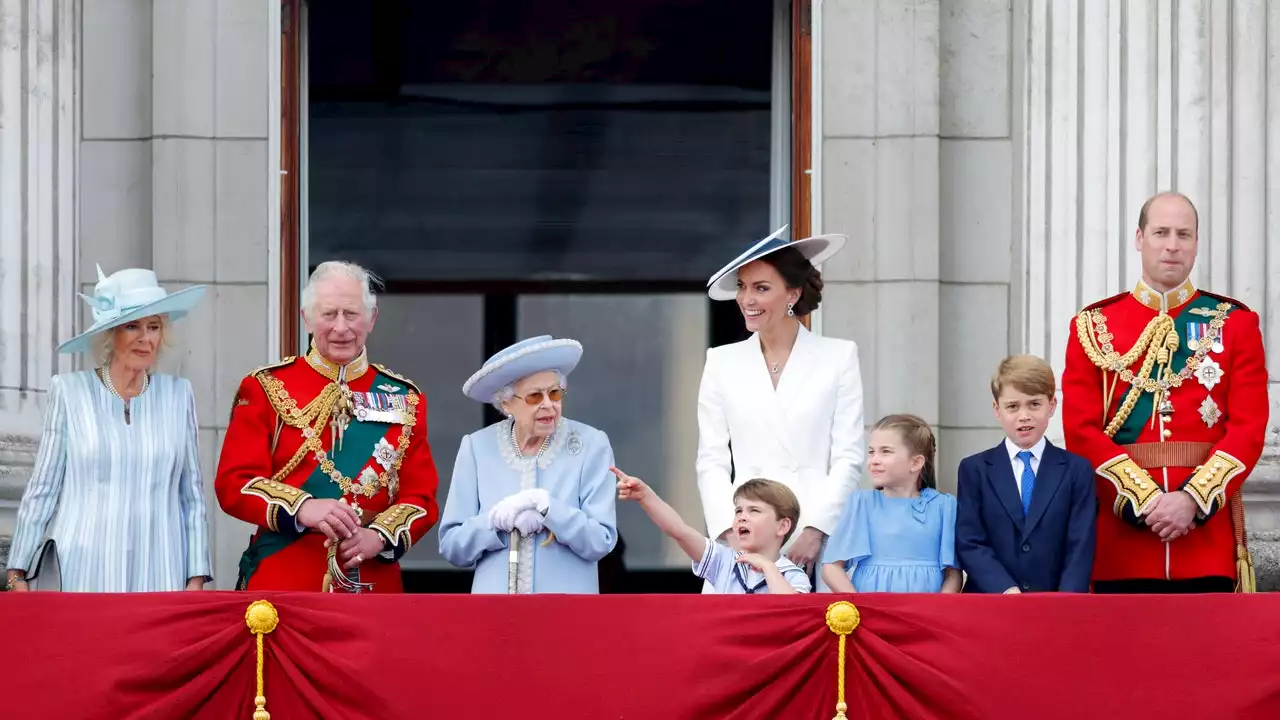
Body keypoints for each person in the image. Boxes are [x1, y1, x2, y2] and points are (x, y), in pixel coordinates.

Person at [1063, 191, 1269, 593]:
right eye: (1161, 233)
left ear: (1196, 243)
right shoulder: (1093, 325)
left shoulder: (1235, 324)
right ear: (1139, 238)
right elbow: (1081, 430)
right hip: (1121, 547)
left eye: (1184, 234)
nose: (1172, 245)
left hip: (1205, 545)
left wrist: (1192, 500)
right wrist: (1146, 503)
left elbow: (1248, 429)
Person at [215, 261, 440, 593]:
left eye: (351, 314)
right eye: (328, 314)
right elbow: (234, 484)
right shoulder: (265, 387)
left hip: (371, 579)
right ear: (306, 318)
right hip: (284, 578)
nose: (340, 328)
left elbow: (421, 498)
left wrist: (378, 536)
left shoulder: (405, 398)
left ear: (372, 318)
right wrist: (303, 507)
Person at [5, 266, 212, 592]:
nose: (146, 338)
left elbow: (192, 496)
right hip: (83, 572)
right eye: (132, 326)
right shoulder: (69, 392)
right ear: (109, 333)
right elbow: (43, 488)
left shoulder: (178, 395)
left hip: (160, 572)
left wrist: (195, 577)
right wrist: (18, 571)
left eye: (154, 326)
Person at [697, 226, 864, 590]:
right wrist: (729, 530)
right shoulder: (721, 361)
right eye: (742, 286)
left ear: (793, 292)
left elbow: (849, 457)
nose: (746, 299)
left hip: (813, 533)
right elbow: (711, 459)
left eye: (761, 288)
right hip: (744, 531)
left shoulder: (838, 356)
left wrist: (817, 529)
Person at [438, 336, 618, 593]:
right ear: (506, 403)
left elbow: (601, 541)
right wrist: (494, 523)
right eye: (535, 396)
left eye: (555, 393)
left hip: (567, 613)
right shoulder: (477, 448)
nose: (549, 405)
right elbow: (453, 547)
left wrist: (550, 510)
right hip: (494, 615)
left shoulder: (591, 445)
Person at [955, 355, 1097, 594]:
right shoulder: (974, 469)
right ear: (997, 409)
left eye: (1034, 404)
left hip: (1054, 605)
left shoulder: (1077, 470)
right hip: (990, 603)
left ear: (1051, 405)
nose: (1024, 416)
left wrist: (1066, 603)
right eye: (1012, 406)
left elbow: (1080, 544)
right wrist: (1005, 589)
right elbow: (970, 540)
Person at [820, 414, 961, 593]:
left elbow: (953, 573)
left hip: (926, 613)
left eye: (885, 451)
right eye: (871, 452)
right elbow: (831, 567)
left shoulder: (944, 506)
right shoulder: (862, 503)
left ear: (916, 462)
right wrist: (859, 606)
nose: (874, 460)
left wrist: (937, 611)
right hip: (871, 611)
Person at [613, 467, 809, 594]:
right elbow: (680, 531)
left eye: (754, 511)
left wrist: (768, 567)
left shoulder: (794, 575)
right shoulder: (724, 560)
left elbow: (792, 611)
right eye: (738, 510)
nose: (742, 516)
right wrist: (645, 496)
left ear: (782, 526)